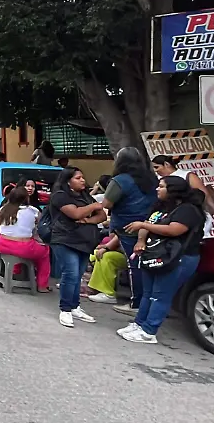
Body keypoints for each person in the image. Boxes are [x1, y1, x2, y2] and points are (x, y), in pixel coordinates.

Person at [117, 175, 207, 344]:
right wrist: (141, 240)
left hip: (178, 258)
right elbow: (147, 222)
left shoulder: (188, 210)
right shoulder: (161, 207)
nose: (157, 189)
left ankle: (149, 331)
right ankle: (139, 324)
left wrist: (143, 226)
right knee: (148, 293)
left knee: (161, 295)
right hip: (156, 255)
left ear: (173, 191)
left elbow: (174, 230)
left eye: (162, 186)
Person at [101, 147, 157, 314]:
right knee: (147, 265)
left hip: (127, 227)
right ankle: (148, 300)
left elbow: (107, 204)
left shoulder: (120, 180)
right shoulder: (151, 179)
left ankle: (137, 303)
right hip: (150, 225)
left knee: (135, 266)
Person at [49, 166, 108, 328]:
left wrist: (89, 219)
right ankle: (65, 309)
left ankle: (75, 306)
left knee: (78, 275)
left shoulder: (85, 196)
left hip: (85, 241)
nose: (82, 180)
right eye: (78, 178)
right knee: (71, 273)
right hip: (65, 239)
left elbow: (102, 215)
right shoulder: (60, 196)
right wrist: (93, 207)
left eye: (82, 177)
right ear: (68, 181)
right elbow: (75, 214)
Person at [0, 185, 52, 293]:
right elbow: (39, 225)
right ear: (26, 198)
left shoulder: (4, 209)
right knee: (45, 251)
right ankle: (42, 285)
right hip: (22, 246)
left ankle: (15, 271)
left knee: (18, 251)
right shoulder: (32, 210)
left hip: (2, 243)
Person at [84, 232, 128, 304]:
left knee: (106, 257)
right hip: (118, 248)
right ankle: (94, 287)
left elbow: (120, 235)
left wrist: (106, 247)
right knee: (94, 254)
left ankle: (109, 293)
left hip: (129, 254)